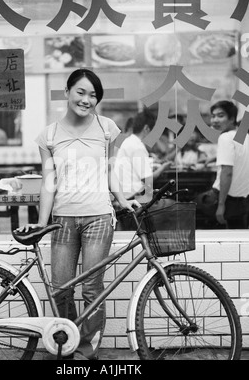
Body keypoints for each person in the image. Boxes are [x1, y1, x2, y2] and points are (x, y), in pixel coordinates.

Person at [16, 69, 140, 360]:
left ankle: (87, 348)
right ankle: (67, 342)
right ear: (67, 92)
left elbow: (111, 171)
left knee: (91, 287)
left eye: (93, 95)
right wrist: (42, 222)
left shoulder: (107, 127)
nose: (87, 100)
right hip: (62, 219)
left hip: (98, 216)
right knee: (61, 288)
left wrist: (122, 200)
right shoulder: (48, 135)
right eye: (81, 92)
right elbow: (49, 182)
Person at [114, 110, 172, 230]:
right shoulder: (137, 146)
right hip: (134, 198)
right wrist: (163, 167)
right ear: (146, 128)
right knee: (173, 206)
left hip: (126, 195)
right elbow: (147, 179)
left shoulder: (129, 142)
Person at [210, 100, 249, 229]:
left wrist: (221, 205)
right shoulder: (245, 137)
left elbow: (227, 172)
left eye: (220, 116)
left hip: (226, 199)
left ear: (232, 119)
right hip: (242, 200)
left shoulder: (225, 138)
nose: (215, 120)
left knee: (188, 205)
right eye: (213, 116)